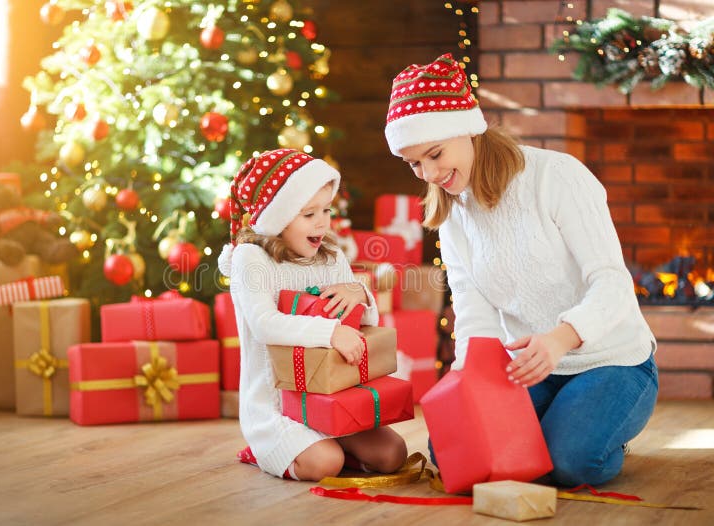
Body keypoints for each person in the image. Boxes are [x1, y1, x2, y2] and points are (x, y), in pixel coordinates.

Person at [383, 53, 658, 487]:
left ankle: (601, 434)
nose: (430, 174)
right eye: (415, 163)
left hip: (611, 361)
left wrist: (558, 340)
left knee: (572, 462)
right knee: (454, 450)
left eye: (434, 154)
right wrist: (469, 386)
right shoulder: (453, 213)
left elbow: (613, 284)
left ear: (468, 128)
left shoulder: (557, 177)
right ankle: (549, 428)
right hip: (529, 366)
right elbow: (473, 310)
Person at [218, 148, 408, 481]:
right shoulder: (251, 259)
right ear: (277, 218)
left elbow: (366, 323)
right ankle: (267, 451)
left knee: (394, 455)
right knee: (325, 464)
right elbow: (264, 325)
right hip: (277, 406)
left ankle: (334, 440)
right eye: (308, 214)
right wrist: (329, 332)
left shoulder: (331, 256)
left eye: (326, 210)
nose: (322, 222)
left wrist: (359, 294)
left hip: (332, 394)